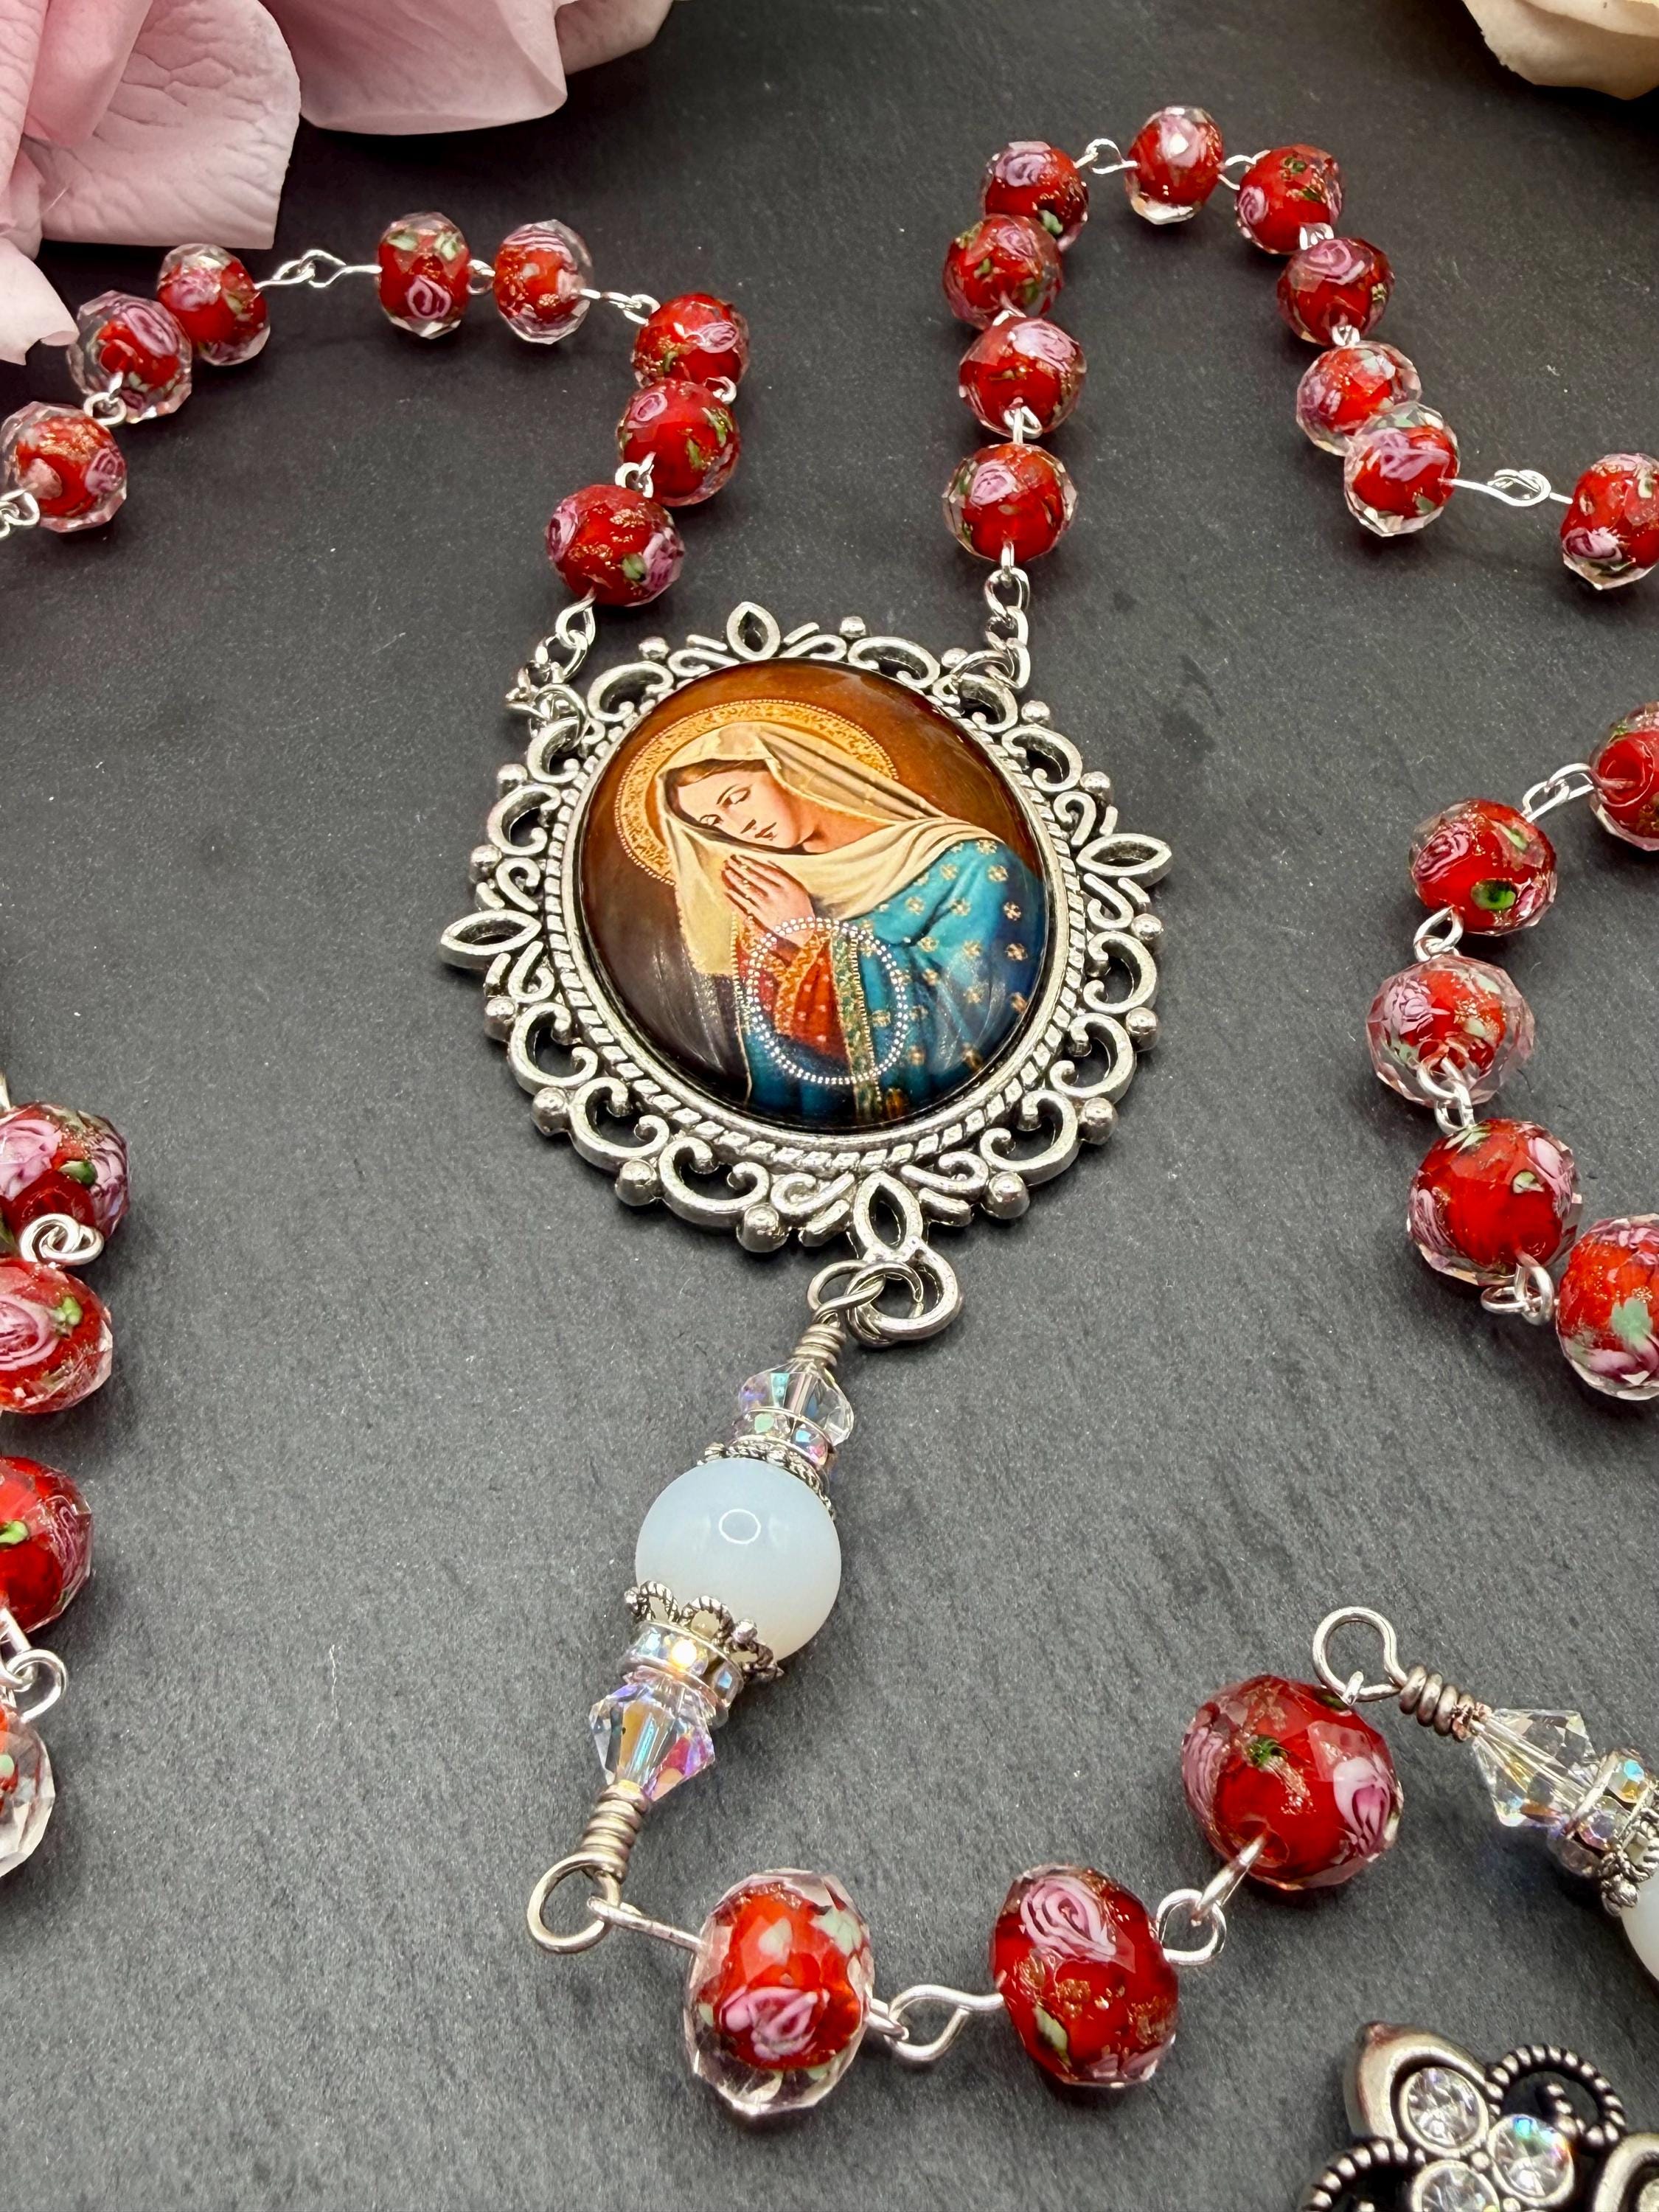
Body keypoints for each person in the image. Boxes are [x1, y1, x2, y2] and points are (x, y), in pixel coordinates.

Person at [654, 718, 1044, 1124]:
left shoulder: (974, 863)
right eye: (714, 823)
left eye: (737, 798)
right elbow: (779, 1065)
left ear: (792, 770)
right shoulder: (769, 895)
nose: (740, 827)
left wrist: (809, 935)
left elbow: (973, 1016)